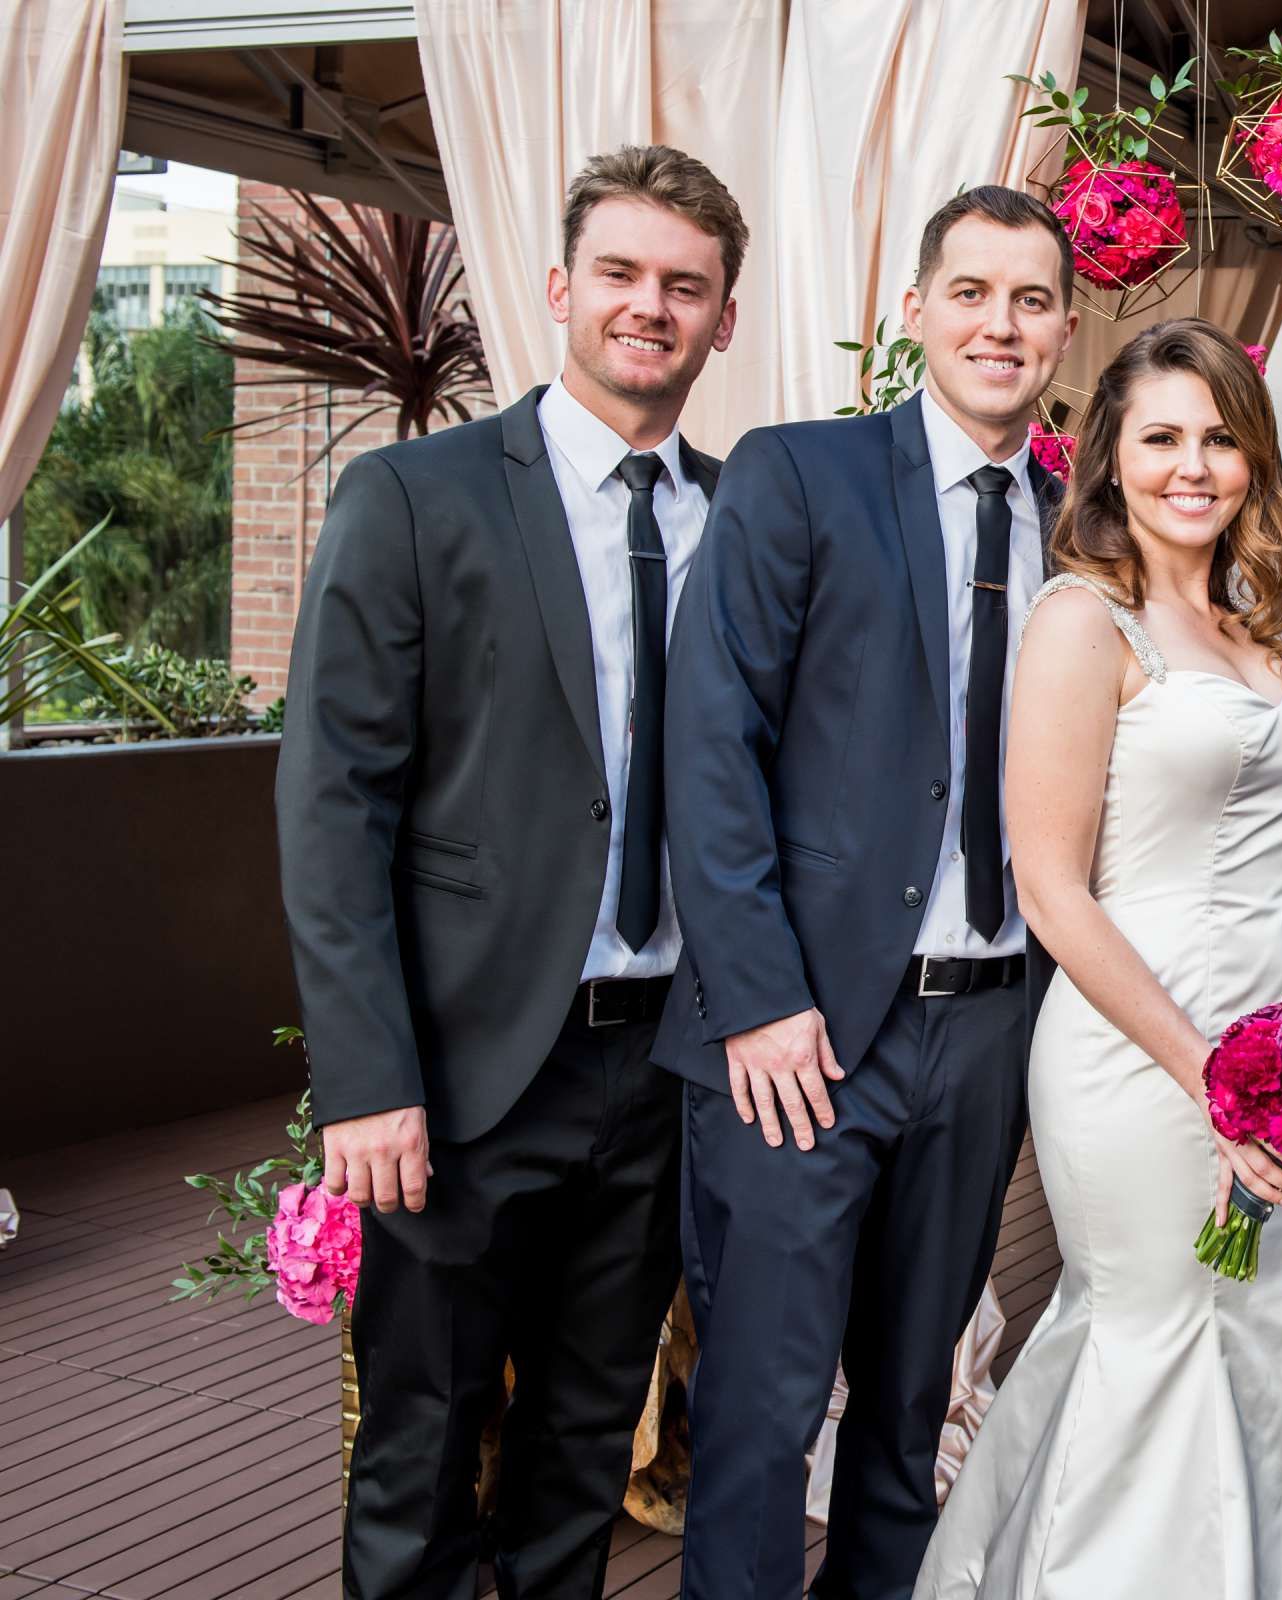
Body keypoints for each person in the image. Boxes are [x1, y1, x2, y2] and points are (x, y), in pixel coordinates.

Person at [276, 144, 745, 1597]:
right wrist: (366, 1077)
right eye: (619, 274)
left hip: (664, 1065)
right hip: (467, 1067)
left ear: (725, 319)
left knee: (584, 1449)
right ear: (559, 289)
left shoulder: (746, 521)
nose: (648, 307)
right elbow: (333, 801)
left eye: (685, 285)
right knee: (419, 1450)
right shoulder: (412, 498)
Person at [656, 185, 1075, 1600]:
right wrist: (761, 1001)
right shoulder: (798, 473)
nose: (998, 325)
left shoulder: (1089, 531)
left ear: (1066, 330)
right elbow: (710, 748)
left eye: (1029, 300)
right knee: (765, 1422)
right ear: (913, 314)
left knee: (911, 1415)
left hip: (992, 1030)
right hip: (803, 1037)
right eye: (969, 292)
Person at [915, 318, 1282, 1600]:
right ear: (1108, 460)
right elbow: (1052, 891)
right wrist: (1210, 1077)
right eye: (1161, 437)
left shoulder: (1268, 628)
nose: (1192, 466)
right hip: (1141, 1055)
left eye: (1220, 438)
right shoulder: (1079, 622)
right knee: (1151, 1330)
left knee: (1261, 1321)